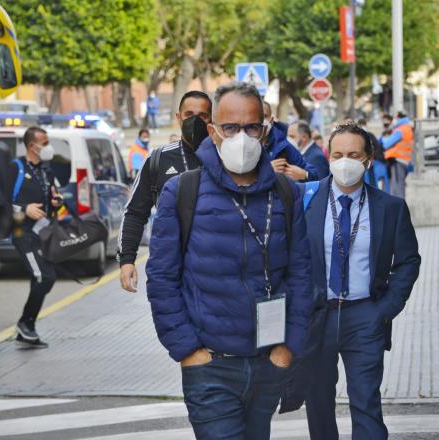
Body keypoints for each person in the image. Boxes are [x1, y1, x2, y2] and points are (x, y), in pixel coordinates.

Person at [146, 81, 313, 439]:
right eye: (230, 127)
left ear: (264, 131)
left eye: (251, 127)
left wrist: (288, 348)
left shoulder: (286, 193)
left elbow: (301, 276)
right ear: (213, 131)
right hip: (210, 368)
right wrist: (188, 350)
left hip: (268, 362)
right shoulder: (182, 192)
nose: (242, 136)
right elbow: (161, 278)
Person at [303, 123, 421, 439]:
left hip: (365, 316)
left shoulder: (390, 207)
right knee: (317, 402)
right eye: (338, 154)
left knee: (367, 401)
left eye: (353, 154)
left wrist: (385, 309)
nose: (345, 162)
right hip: (318, 317)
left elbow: (408, 261)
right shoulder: (306, 201)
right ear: (328, 157)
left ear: (367, 159)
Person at [118, 91, 211, 292]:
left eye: (202, 116)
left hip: (215, 269)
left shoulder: (225, 158)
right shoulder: (158, 160)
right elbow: (135, 213)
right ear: (178, 118)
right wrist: (127, 260)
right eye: (189, 115)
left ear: (211, 118)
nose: (195, 121)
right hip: (170, 270)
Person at [10, 126, 64, 349]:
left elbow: (53, 197)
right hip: (22, 234)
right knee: (43, 276)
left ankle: (27, 327)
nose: (48, 146)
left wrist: (57, 203)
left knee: (47, 276)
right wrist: (24, 209)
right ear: (32, 145)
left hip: (43, 234)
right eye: (45, 141)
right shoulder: (16, 168)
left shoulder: (46, 170)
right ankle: (25, 324)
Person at [262, 101, 319, 181]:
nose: (261, 120)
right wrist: (266, 170)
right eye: (256, 116)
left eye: (264, 116)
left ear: (271, 120)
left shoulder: (282, 145)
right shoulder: (242, 144)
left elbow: (313, 174)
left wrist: (304, 174)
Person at [382, 111, 414, 199]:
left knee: (397, 189)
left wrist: (383, 138)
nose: (394, 120)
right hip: (404, 160)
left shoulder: (401, 129)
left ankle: (398, 210)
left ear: (399, 118)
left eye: (395, 118)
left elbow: (386, 143)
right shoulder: (408, 128)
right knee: (401, 186)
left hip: (398, 160)